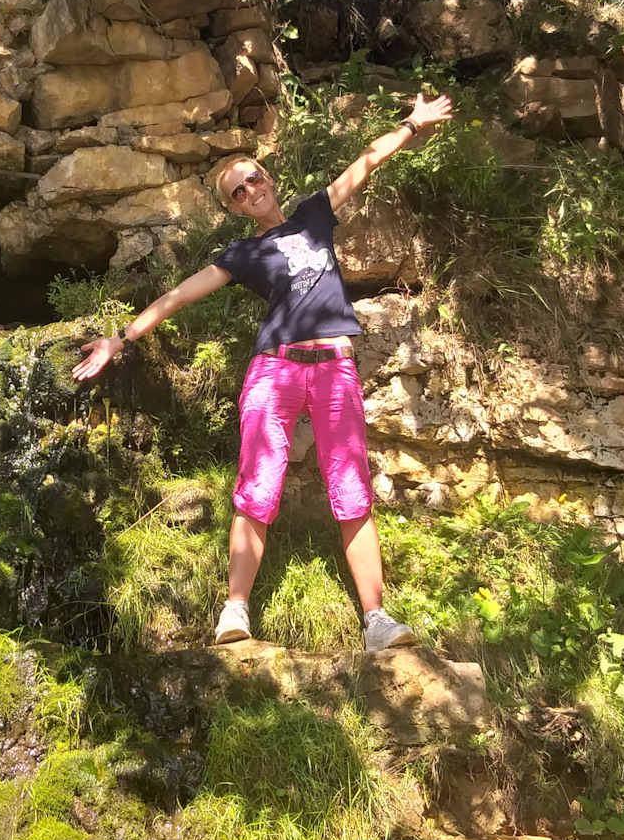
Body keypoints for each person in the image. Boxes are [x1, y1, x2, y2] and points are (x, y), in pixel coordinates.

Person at [72, 90, 456, 651]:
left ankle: (376, 621)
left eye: (253, 178)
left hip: (335, 372)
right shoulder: (242, 255)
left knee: (352, 490)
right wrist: (120, 339)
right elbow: (179, 295)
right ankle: (235, 611)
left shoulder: (312, 215)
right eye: (237, 191)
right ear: (233, 207)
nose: (250, 189)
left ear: (268, 177)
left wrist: (413, 126)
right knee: (258, 489)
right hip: (274, 372)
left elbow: (367, 162)